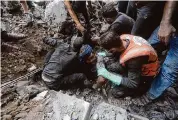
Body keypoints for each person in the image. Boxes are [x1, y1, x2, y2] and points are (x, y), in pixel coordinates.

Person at [133, 1, 178, 106]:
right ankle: (141, 77)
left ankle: (150, 95)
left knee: (169, 71)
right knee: (145, 48)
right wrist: (165, 23)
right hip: (171, 23)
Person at [97, 31, 159, 98]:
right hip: (138, 65)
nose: (108, 52)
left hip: (145, 75)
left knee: (115, 92)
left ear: (112, 49)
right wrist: (100, 55)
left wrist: (106, 74)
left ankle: (138, 92)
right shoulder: (123, 38)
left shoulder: (134, 59)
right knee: (111, 65)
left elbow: (133, 84)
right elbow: (106, 54)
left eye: (109, 51)